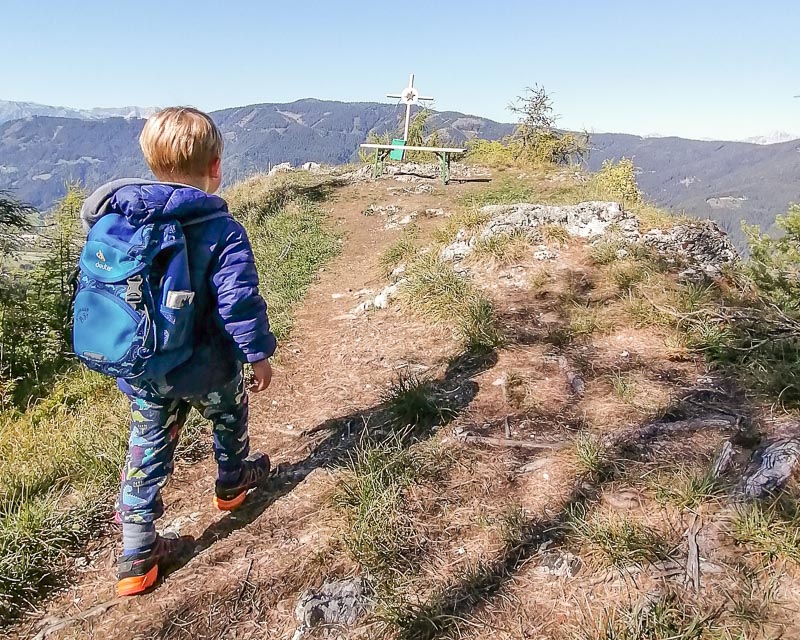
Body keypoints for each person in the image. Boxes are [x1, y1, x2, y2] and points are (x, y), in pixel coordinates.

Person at [79, 107, 276, 597]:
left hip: (146, 367)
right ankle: (232, 479)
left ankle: (136, 553)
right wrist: (257, 354)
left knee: (146, 450)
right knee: (230, 413)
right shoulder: (220, 227)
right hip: (208, 367)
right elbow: (238, 301)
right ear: (216, 167)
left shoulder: (123, 218)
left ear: (152, 164)